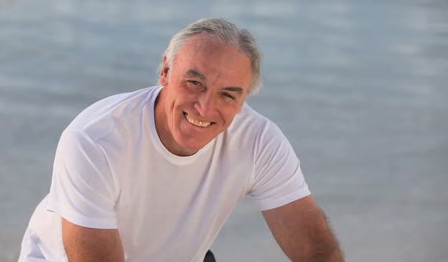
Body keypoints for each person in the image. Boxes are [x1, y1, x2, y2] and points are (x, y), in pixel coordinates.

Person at [19, 17, 344, 261]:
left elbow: (316, 252)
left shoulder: (258, 141)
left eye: (228, 95)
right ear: (165, 71)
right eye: (194, 83)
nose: (205, 107)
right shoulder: (95, 141)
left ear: (244, 100)